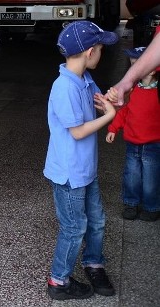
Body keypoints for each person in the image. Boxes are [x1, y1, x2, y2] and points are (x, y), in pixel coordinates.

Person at [44, 20, 118, 300]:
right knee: (74, 227)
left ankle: (93, 262)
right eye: (100, 48)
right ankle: (58, 281)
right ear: (89, 52)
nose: (102, 53)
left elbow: (99, 101)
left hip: (86, 169)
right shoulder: (64, 87)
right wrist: (109, 116)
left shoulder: (85, 79)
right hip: (69, 173)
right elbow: (77, 132)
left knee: (96, 220)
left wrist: (111, 101)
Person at [105, 46, 160, 222]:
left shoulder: (157, 92)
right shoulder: (131, 90)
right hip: (132, 143)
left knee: (151, 177)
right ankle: (131, 203)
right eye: (133, 64)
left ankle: (151, 206)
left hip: (153, 144)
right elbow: (123, 111)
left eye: (139, 64)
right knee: (131, 174)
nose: (134, 68)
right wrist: (113, 128)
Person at [108, 25, 160, 105]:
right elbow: (123, 111)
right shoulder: (131, 90)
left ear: (152, 70)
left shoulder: (154, 95)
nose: (132, 69)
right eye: (131, 64)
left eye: (135, 65)